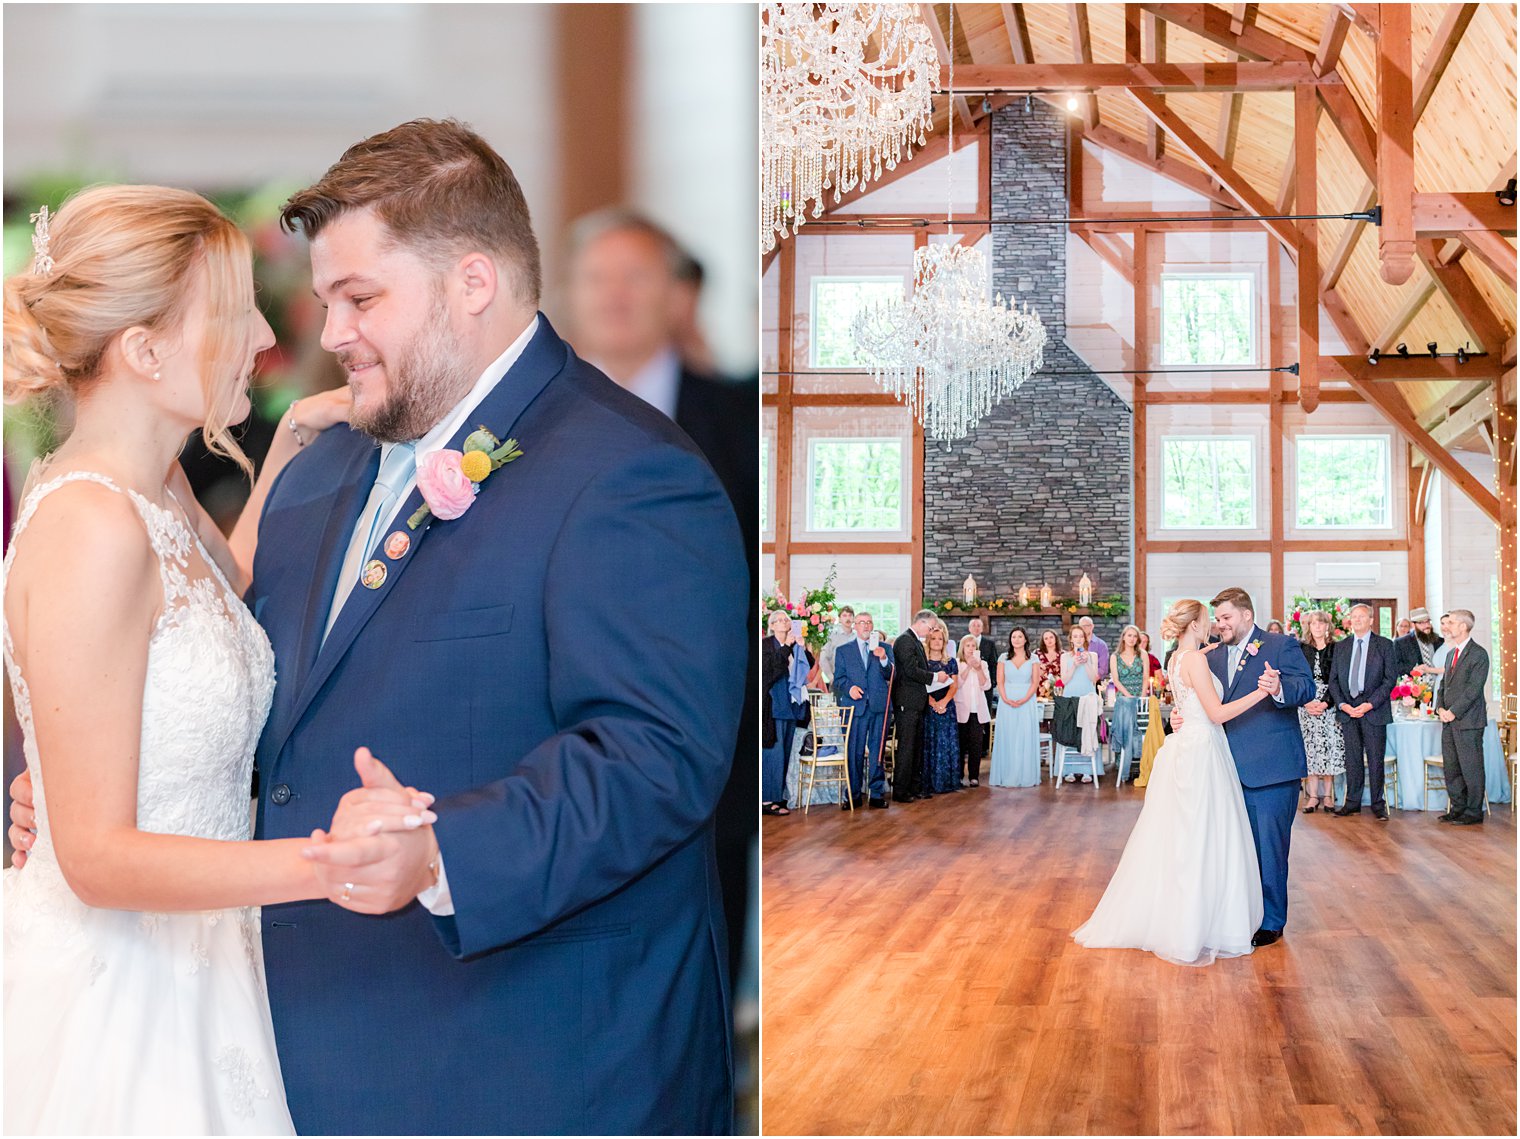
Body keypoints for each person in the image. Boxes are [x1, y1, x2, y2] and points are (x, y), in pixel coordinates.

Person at [11, 123, 749, 1135]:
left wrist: (442, 850)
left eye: (360, 299)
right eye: (325, 302)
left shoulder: (629, 474)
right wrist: (81, 780)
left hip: (525, 1069)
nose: (327, 332)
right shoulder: (316, 469)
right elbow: (245, 690)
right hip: (268, 1048)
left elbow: (655, 757)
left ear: (471, 284)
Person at [0, 186, 411, 1134]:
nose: (266, 334)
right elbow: (96, 858)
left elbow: (227, 587)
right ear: (143, 351)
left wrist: (294, 440)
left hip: (207, 963)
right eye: (232, 315)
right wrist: (329, 864)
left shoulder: (155, 484)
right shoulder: (92, 526)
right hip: (124, 994)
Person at [564, 210, 758, 987]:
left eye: (635, 276)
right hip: (565, 739)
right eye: (597, 277)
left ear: (674, 296)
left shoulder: (739, 416)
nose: (614, 295)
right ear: (570, 295)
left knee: (705, 965)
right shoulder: (521, 423)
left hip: (715, 741)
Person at [1074, 599, 1271, 966]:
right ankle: (1199, 924)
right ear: (1195, 623)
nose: (1212, 622)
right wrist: (1261, 692)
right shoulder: (1194, 661)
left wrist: (1207, 652)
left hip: (1184, 747)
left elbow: (1190, 696)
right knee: (1204, 835)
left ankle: (1177, 917)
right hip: (1203, 749)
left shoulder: (1176, 659)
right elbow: (1215, 713)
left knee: (1182, 835)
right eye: (1208, 619)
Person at [1171, 587, 1315, 947]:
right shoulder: (1211, 655)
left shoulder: (1280, 645)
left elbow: (1307, 687)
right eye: (1217, 619)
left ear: (1246, 615)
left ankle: (1271, 920)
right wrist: (1181, 716)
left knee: (1269, 848)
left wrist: (1280, 686)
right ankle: (1238, 914)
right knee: (1233, 850)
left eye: (1226, 618)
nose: (1220, 625)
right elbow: (1202, 701)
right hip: (1222, 770)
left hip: (1271, 769)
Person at [1327, 603, 1396, 820]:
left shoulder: (1384, 645)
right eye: (1353, 617)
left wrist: (1369, 704)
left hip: (1373, 711)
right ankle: (1352, 802)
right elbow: (1334, 681)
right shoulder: (1341, 646)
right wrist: (1343, 705)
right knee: (1353, 760)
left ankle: (1377, 804)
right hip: (1348, 712)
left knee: (1375, 760)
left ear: (1371, 620)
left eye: (1361, 616)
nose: (1356, 620)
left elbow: (1389, 679)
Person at [832, 611, 893, 809]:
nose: (866, 626)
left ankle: (876, 794)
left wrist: (884, 660)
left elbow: (893, 675)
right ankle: (852, 794)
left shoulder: (884, 648)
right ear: (855, 626)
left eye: (869, 622)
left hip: (878, 707)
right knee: (854, 752)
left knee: (877, 752)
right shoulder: (843, 650)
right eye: (862, 623)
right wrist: (850, 688)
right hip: (854, 708)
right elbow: (838, 680)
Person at [1435, 610, 1490, 825]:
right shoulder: (1451, 654)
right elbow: (1443, 686)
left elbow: (1473, 690)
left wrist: (1453, 711)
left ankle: (1473, 811)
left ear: (1464, 627)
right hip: (1448, 720)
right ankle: (1457, 808)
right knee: (1452, 767)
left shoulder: (1479, 654)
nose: (1447, 626)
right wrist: (1440, 708)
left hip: (1468, 722)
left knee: (1471, 767)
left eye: (1451, 622)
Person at [890, 610, 948, 803]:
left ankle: (913, 787)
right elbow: (910, 670)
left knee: (915, 747)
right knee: (907, 747)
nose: (931, 632)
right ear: (921, 623)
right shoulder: (905, 640)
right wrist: (934, 677)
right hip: (907, 700)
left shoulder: (915, 641)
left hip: (917, 701)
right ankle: (901, 790)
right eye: (930, 628)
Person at [762, 610, 812, 816]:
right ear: (772, 625)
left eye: (787, 620)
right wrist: (785, 648)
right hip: (773, 707)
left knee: (785, 755)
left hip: (791, 707)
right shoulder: (765, 645)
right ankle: (766, 799)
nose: (784, 622)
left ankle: (779, 796)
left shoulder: (795, 646)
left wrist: (801, 647)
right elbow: (768, 672)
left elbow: (808, 667)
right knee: (772, 754)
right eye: (779, 620)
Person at [1296, 610, 1346, 812]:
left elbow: (1339, 679)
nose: (1317, 627)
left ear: (1327, 626)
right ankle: (1312, 796)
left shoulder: (1336, 649)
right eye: (1313, 623)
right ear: (1308, 626)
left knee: (1328, 748)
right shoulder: (1301, 648)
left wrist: (1325, 703)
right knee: (1311, 750)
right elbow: (1297, 677)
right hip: (1307, 703)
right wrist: (1307, 702)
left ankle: (1328, 796)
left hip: (1329, 703)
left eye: (1321, 623)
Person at [989, 628, 1042, 788]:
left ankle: (1026, 775)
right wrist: (1005, 699)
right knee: (1008, 737)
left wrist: (1024, 699)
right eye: (1014, 637)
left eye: (1020, 637)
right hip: (1007, 701)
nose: (1017, 639)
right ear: (1010, 640)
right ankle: (1006, 774)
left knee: (1024, 736)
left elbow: (1035, 682)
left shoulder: (1033, 659)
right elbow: (1000, 680)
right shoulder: (1003, 658)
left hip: (1027, 701)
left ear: (1025, 639)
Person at [1055, 626, 1101, 782]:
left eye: (1081, 636)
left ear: (1084, 639)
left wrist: (1086, 662)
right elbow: (1064, 681)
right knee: (1070, 732)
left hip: (1087, 696)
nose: (1078, 639)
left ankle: (1087, 770)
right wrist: (1074, 664)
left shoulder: (1092, 655)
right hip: (1070, 696)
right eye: (1075, 636)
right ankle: (1069, 770)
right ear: (1071, 639)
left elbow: (1093, 679)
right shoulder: (1065, 657)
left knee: (1087, 732)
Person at [921, 623, 961, 795]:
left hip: (947, 707)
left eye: (940, 639)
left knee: (946, 743)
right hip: (928, 707)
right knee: (930, 742)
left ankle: (947, 782)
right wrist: (933, 703)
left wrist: (944, 703)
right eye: (933, 639)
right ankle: (929, 782)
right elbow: (920, 685)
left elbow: (955, 685)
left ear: (944, 641)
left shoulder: (951, 662)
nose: (937, 642)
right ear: (928, 641)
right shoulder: (923, 662)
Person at [1109, 624, 1150, 780]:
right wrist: (1129, 696)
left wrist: (1140, 697)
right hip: (1124, 698)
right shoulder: (1115, 657)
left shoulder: (1143, 654)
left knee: (1141, 730)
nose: (1132, 639)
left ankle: (1141, 766)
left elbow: (1146, 677)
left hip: (1140, 697)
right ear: (1124, 637)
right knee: (1126, 728)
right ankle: (1123, 767)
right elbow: (1116, 680)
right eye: (1129, 635)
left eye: (1135, 636)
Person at [953, 634, 991, 787]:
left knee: (976, 744)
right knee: (961, 745)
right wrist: (969, 667)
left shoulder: (983, 664)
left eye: (973, 646)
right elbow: (958, 684)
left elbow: (986, 685)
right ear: (962, 648)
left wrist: (978, 668)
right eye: (967, 646)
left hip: (978, 709)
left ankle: (974, 776)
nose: (970, 649)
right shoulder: (956, 663)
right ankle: (960, 775)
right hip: (962, 709)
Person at [1392, 606, 1441, 678]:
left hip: (1439, 685)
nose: (1427, 625)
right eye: (1421, 623)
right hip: (1415, 685)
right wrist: (1414, 670)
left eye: (1428, 622)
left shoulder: (1439, 641)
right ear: (1413, 625)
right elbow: (1395, 666)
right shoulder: (1401, 643)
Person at [818, 604, 857, 684]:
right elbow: (823, 658)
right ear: (839, 619)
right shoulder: (832, 636)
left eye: (850, 615)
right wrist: (831, 677)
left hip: (856, 680)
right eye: (844, 615)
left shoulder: (858, 637)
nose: (848, 618)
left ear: (853, 619)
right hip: (838, 680)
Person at [1078, 615, 1109, 681]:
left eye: (1086, 626)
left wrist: (1091, 679)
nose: (1083, 628)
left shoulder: (1101, 645)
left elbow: (1103, 669)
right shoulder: (1077, 644)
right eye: (1081, 627)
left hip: (1095, 681)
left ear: (1092, 626)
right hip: (1078, 680)